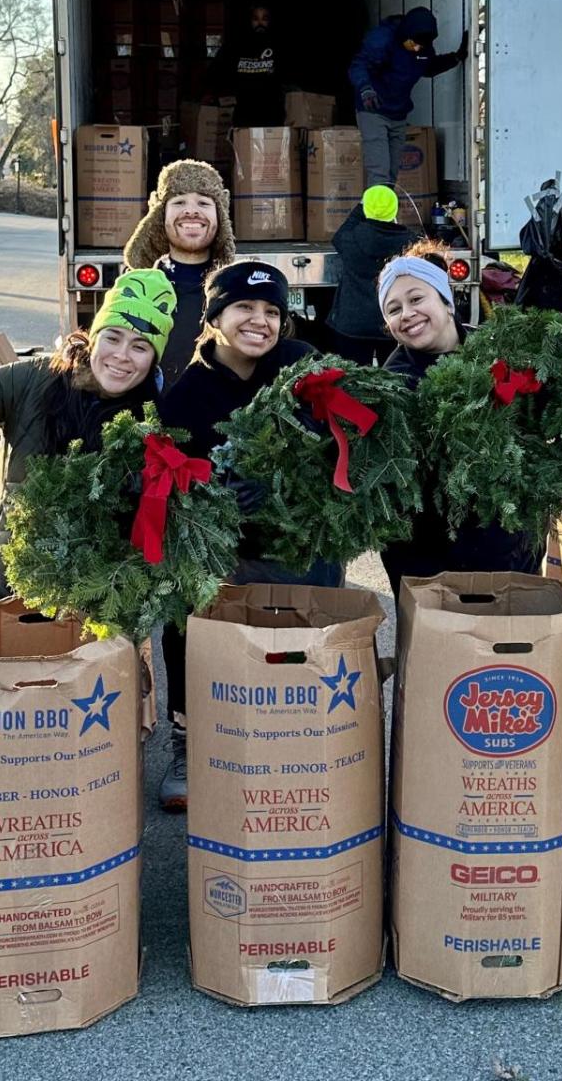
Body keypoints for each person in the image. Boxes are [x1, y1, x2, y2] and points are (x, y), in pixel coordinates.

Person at [156, 259, 341, 812]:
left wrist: (298, 462)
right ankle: (188, 740)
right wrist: (211, 499)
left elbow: (345, 433)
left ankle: (304, 731)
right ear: (215, 316)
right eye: (244, 308)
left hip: (297, 539)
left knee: (311, 616)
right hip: (223, 549)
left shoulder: (299, 365)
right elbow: (167, 480)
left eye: (271, 311)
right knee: (186, 613)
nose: (259, 321)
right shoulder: (187, 393)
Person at [0, 269, 176, 597]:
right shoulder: (34, 380)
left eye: (140, 347)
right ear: (94, 336)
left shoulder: (155, 423)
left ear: (153, 359)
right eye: (113, 337)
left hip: (102, 606)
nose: (121, 356)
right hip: (11, 593)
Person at [378, 245, 537, 595]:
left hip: (510, 542)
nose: (407, 313)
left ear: (447, 302)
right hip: (431, 559)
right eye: (394, 309)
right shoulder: (396, 384)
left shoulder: (494, 348)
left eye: (416, 299)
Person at [123, 159, 235, 386]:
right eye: (179, 201)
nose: (191, 211)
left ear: (220, 216)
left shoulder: (236, 289)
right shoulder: (136, 288)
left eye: (204, 203)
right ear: (159, 216)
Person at [348, 7, 468, 186]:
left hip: (398, 115)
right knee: (379, 173)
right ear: (405, 33)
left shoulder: (421, 50)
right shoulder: (383, 39)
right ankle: (373, 214)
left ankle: (379, 212)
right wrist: (365, 88)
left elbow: (427, 67)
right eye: (414, 43)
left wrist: (456, 58)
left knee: (391, 176)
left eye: (422, 46)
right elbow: (359, 65)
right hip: (373, 110)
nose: (417, 48)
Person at [326, 184, 410, 365]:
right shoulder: (409, 243)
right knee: (395, 379)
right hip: (391, 323)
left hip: (352, 325)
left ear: (365, 209)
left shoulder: (349, 238)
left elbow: (341, 231)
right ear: (394, 210)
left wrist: (360, 207)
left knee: (353, 382)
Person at [215, 0, 286, 126]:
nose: (260, 23)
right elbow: (219, 72)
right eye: (255, 19)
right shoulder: (235, 46)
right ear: (249, 21)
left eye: (264, 19)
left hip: (272, 117)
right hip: (244, 117)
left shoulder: (279, 47)